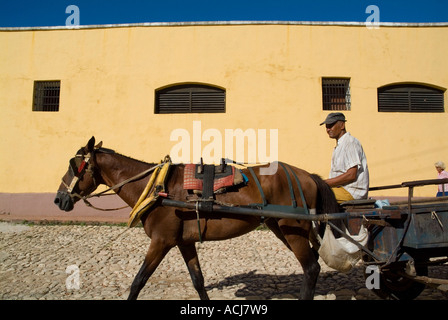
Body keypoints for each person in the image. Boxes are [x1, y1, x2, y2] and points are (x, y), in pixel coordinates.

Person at [320, 112, 369, 203]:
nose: (328, 129)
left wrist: (324, 183)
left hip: (351, 192)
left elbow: (351, 175)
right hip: (341, 189)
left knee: (316, 193)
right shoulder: (340, 145)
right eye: (327, 126)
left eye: (331, 125)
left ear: (342, 125)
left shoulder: (350, 143)